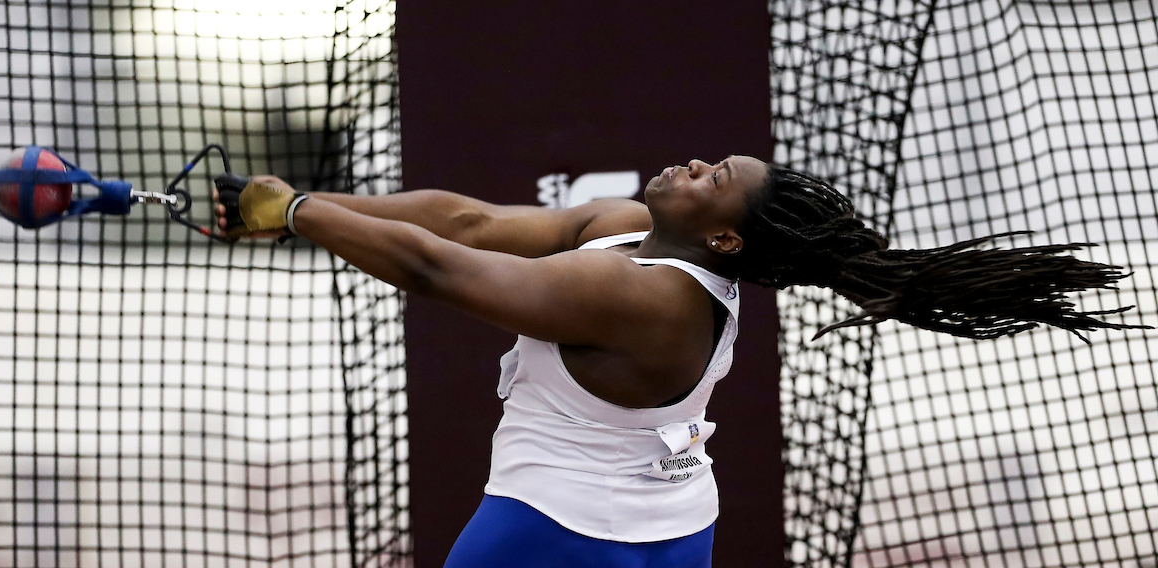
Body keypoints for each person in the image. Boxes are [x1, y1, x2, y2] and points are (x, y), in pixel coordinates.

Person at [214, 156, 1142, 567]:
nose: (695, 165)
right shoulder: (636, 238)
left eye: (714, 180)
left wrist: (295, 216)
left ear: (728, 238)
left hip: (554, 534)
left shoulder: (638, 295)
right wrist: (300, 201)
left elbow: (435, 264)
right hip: (667, 532)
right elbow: (467, 220)